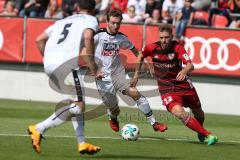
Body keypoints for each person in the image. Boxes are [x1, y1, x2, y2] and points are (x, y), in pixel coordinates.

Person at [27, 0, 102, 155]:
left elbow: (39, 39)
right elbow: (88, 38)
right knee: (79, 106)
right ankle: (39, 128)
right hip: (66, 64)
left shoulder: (62, 20)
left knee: (74, 105)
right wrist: (94, 67)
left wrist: (48, 59)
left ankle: (82, 143)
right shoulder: (91, 20)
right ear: (94, 9)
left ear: (77, 7)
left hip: (49, 64)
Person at [131, 24, 218, 145]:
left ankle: (200, 129)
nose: (164, 40)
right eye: (161, 37)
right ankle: (208, 135)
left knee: (199, 113)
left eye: (166, 37)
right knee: (179, 113)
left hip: (184, 86)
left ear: (171, 36)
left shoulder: (178, 47)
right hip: (167, 89)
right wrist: (136, 74)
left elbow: (190, 65)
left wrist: (184, 70)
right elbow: (141, 55)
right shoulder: (152, 48)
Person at [94, 9, 168, 133]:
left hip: (118, 74)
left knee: (135, 93)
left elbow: (137, 52)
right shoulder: (97, 35)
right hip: (102, 77)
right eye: (113, 23)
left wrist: (148, 64)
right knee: (115, 109)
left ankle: (154, 123)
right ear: (107, 22)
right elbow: (85, 48)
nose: (116, 26)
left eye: (118, 23)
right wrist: (94, 69)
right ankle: (113, 117)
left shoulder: (121, 38)